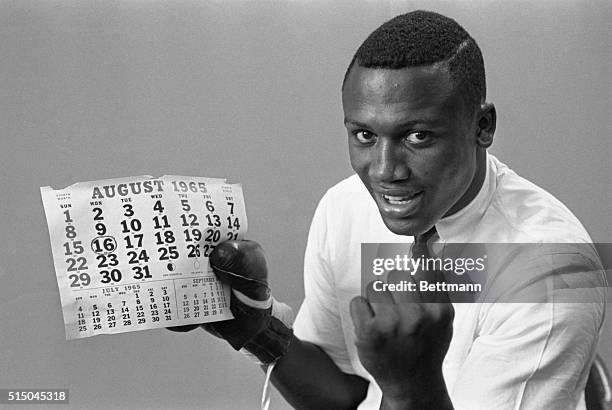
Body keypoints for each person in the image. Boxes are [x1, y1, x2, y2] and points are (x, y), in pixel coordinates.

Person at [171, 10, 606, 409]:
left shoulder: (552, 268)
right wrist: (257, 330)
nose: (384, 171)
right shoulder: (344, 209)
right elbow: (346, 395)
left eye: (417, 136)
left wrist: (412, 386)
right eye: (363, 135)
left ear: (482, 126)